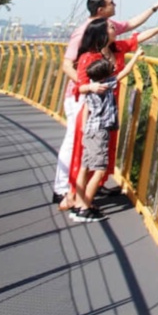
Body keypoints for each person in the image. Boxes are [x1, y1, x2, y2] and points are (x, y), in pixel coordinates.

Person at [53, 0, 158, 204]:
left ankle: (90, 186)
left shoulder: (111, 38)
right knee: (76, 142)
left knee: (95, 145)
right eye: (111, 2)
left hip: (102, 101)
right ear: (101, 10)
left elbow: (134, 26)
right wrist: (87, 87)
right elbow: (67, 64)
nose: (115, 5)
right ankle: (65, 190)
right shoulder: (85, 34)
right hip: (83, 99)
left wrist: (156, 8)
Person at [67, 55, 121, 223]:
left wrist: (83, 128)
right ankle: (86, 207)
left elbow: (86, 109)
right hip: (100, 131)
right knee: (99, 170)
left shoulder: (91, 87)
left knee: (85, 167)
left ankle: (78, 203)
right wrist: (135, 59)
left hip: (89, 129)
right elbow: (122, 73)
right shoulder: (105, 86)